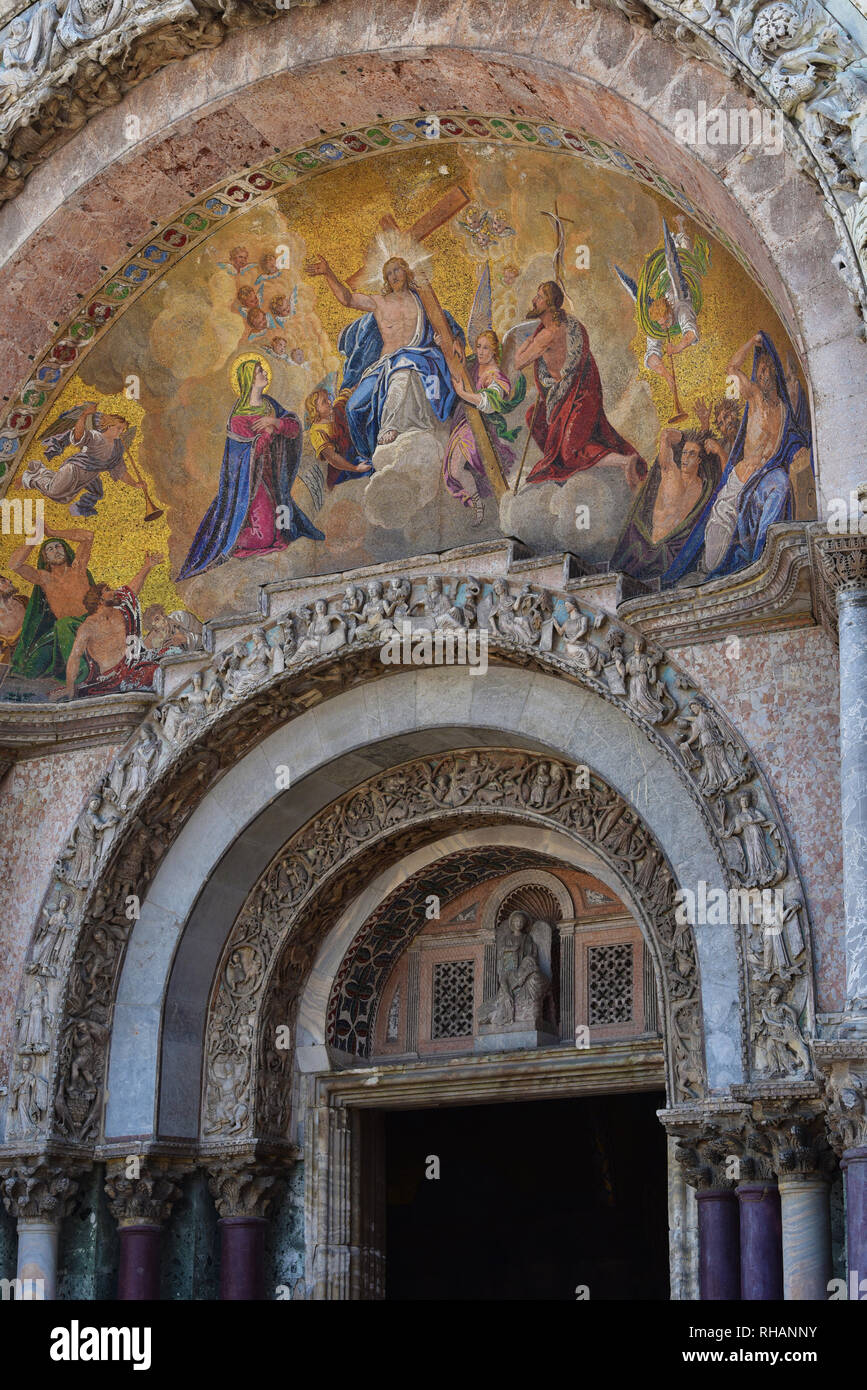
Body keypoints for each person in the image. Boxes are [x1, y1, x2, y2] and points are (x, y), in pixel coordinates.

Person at [663, 332, 811, 585]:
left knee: (782, 484)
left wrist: (797, 448)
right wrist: (750, 342)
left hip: (765, 476)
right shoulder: (754, 397)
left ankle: (764, 555)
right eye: (760, 370)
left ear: (774, 373)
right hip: (741, 479)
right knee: (715, 550)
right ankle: (714, 570)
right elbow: (731, 367)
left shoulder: (784, 411)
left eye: (767, 370)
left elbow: (795, 436)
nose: (763, 375)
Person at [305, 252, 464, 461]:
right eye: (389, 273)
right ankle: (369, 456)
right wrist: (328, 273)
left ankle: (392, 428)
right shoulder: (379, 302)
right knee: (353, 407)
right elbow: (348, 299)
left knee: (403, 376)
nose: (394, 276)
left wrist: (455, 340)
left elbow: (446, 325)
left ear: (406, 272)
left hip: (415, 358)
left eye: (397, 269)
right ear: (385, 279)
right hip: (384, 365)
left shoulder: (423, 302)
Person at [178, 354, 322, 580]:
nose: (264, 374)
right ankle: (227, 538)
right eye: (259, 372)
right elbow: (246, 455)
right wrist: (268, 431)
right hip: (251, 484)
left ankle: (234, 533)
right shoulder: (238, 419)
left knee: (282, 533)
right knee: (266, 537)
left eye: (263, 370)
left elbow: (293, 428)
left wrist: (276, 422)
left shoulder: (270, 405)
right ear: (248, 379)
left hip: (274, 478)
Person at [513, 281, 645, 488]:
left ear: (550, 304)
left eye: (539, 297)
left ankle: (624, 461)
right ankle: (564, 472)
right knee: (534, 417)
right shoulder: (564, 324)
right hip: (569, 397)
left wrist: (528, 343)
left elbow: (518, 363)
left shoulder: (546, 335)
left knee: (570, 452)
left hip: (576, 399)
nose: (534, 300)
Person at [610, 427, 720, 582]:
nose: (685, 458)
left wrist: (719, 450)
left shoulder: (704, 487)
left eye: (692, 454)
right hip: (648, 549)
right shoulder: (669, 472)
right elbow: (666, 435)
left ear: (700, 460)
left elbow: (727, 477)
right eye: (684, 452)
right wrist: (684, 437)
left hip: (673, 554)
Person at [51, 552, 163, 698]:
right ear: (100, 600)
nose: (114, 592)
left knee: (171, 653)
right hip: (112, 678)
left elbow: (132, 590)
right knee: (155, 673)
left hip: (134, 665)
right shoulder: (88, 627)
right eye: (108, 590)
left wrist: (147, 566)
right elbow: (74, 656)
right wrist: (69, 688)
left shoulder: (123, 609)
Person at [444, 328, 522, 524]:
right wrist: (444, 345)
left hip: (479, 427)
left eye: (486, 348)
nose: (480, 351)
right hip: (463, 423)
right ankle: (478, 504)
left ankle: (481, 508)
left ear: (494, 351)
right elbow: (456, 369)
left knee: (459, 469)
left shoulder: (496, 375)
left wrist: (463, 394)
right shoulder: (473, 364)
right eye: (478, 346)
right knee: (454, 473)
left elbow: (489, 402)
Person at [21, 405, 145, 519]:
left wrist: (134, 484)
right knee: (53, 491)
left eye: (123, 430)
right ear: (109, 425)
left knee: (63, 499)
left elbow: (120, 472)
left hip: (85, 479)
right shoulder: (97, 437)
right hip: (73, 470)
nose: (121, 432)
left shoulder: (117, 449)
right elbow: (79, 436)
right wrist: (83, 416)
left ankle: (41, 472)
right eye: (119, 428)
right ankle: (31, 477)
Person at [8, 527, 95, 681]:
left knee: (63, 624)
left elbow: (88, 536)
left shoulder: (78, 567)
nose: (55, 550)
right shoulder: (44, 579)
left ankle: (79, 676)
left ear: (66, 550)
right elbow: (14, 564)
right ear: (45, 558)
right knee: (37, 656)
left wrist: (52, 532)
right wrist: (35, 538)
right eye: (50, 549)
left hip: (87, 622)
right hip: (62, 629)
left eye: (58, 546)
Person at [305, 387, 373, 490]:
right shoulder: (317, 432)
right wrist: (356, 468)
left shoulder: (337, 408)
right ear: (315, 409)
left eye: (328, 398)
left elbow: (349, 392)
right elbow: (333, 458)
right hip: (343, 470)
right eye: (324, 402)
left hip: (357, 453)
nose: (329, 402)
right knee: (373, 468)